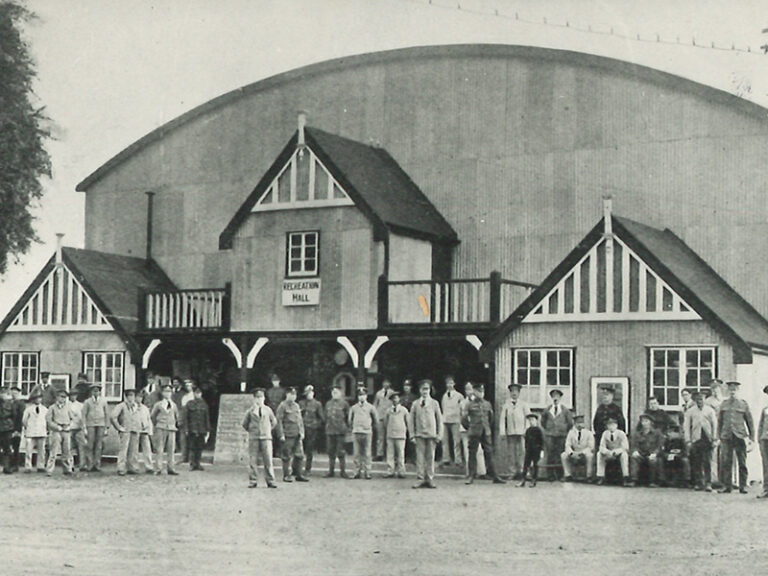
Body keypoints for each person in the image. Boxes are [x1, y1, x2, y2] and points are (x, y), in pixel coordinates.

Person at [462, 383, 505, 485]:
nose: (481, 394)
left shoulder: (487, 404)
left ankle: (494, 476)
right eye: (479, 392)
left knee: (489, 453)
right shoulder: (469, 404)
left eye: (482, 392)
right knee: (472, 454)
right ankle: (471, 476)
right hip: (474, 432)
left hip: (486, 432)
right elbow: (464, 419)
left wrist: (487, 427)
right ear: (475, 392)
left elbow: (491, 418)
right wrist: (470, 428)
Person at [718, 380, 755, 494]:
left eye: (734, 390)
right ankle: (727, 486)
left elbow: (750, 422)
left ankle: (742, 486)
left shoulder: (743, 404)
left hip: (740, 436)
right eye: (730, 389)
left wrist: (752, 439)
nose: (732, 392)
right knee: (726, 462)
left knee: (742, 462)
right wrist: (719, 436)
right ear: (728, 391)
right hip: (727, 436)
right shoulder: (724, 404)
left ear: (738, 390)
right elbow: (720, 421)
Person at [408, 380, 443, 489]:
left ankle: (430, 478)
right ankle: (420, 478)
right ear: (419, 390)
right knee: (420, 458)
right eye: (423, 389)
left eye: (427, 389)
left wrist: (439, 435)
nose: (425, 392)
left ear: (430, 390)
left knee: (430, 457)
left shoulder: (434, 403)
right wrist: (412, 435)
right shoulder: (415, 404)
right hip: (419, 435)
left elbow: (439, 420)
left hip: (431, 435)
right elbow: (411, 421)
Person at [242, 388, 278, 488]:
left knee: (268, 459)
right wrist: (252, 431)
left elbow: (274, 422)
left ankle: (270, 480)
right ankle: (253, 480)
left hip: (266, 438)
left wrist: (267, 430)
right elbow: (244, 424)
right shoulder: (250, 411)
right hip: (254, 437)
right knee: (253, 459)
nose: (259, 399)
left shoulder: (268, 410)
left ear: (264, 398)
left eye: (261, 397)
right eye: (257, 397)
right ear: (254, 399)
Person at [684, 390, 718, 492]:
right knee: (696, 462)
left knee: (707, 461)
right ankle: (698, 483)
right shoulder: (690, 411)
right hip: (696, 439)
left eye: (702, 399)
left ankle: (708, 483)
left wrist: (714, 439)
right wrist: (688, 440)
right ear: (695, 400)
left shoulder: (710, 410)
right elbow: (686, 426)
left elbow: (715, 425)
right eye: (698, 399)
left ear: (705, 399)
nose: (700, 401)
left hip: (707, 439)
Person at [276, 387, 308, 483]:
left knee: (299, 455)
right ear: (287, 395)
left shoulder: (296, 406)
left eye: (294, 395)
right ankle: (286, 475)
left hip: (297, 434)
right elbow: (279, 421)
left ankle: (298, 474)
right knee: (286, 455)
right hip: (287, 434)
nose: (293, 397)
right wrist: (281, 434)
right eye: (291, 394)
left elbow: (300, 420)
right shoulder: (282, 406)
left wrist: (302, 432)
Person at [498, 382, 529, 480]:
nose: (514, 394)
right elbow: (503, 419)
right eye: (512, 392)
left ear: (519, 393)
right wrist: (503, 431)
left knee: (522, 452)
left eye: (516, 392)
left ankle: (523, 471)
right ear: (510, 393)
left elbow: (528, 418)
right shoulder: (506, 405)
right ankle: (512, 471)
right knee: (511, 453)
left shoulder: (523, 404)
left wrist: (527, 430)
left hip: (521, 432)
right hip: (511, 432)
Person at [540, 389, 573, 481]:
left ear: (560, 398)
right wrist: (549, 429)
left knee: (560, 454)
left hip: (561, 435)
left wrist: (563, 430)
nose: (555, 398)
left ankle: (560, 474)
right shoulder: (547, 410)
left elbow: (570, 423)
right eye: (554, 396)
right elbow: (543, 422)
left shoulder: (565, 410)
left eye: (557, 396)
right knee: (550, 454)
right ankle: (550, 475)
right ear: (551, 398)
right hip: (550, 435)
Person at [151, 383, 180, 476]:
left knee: (171, 449)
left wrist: (174, 424)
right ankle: (158, 468)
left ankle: (171, 468)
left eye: (169, 391)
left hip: (171, 428)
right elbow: (152, 416)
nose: (168, 393)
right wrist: (157, 425)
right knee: (159, 448)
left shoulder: (174, 405)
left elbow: (177, 416)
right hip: (161, 428)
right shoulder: (158, 404)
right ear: (162, 393)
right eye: (166, 391)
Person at [111, 388, 142, 476]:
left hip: (135, 430)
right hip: (125, 431)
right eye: (129, 395)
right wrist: (119, 427)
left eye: (133, 395)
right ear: (126, 396)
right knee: (123, 450)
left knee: (133, 450)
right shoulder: (121, 406)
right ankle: (121, 468)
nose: (131, 398)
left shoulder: (136, 406)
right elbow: (113, 417)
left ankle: (132, 467)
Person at [348, 387, 377, 479]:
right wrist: (353, 427)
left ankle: (367, 472)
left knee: (367, 453)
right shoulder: (353, 408)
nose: (361, 397)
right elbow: (349, 419)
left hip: (367, 432)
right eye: (360, 395)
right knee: (356, 453)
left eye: (363, 395)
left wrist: (370, 426)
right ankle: (356, 471)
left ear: (366, 396)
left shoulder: (371, 407)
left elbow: (376, 419)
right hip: (356, 431)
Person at [460, 382, 486, 478]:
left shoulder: (480, 402)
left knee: (479, 451)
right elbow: (462, 417)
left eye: (471, 389)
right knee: (467, 451)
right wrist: (467, 426)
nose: (469, 392)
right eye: (467, 389)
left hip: (477, 429)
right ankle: (470, 472)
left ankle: (481, 472)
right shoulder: (463, 402)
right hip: (466, 429)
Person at [81, 382, 109, 472]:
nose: (96, 393)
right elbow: (84, 415)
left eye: (97, 391)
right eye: (94, 391)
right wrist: (84, 427)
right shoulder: (87, 402)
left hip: (101, 424)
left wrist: (106, 427)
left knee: (99, 445)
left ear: (100, 392)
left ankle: (97, 464)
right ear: (91, 392)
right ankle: (90, 464)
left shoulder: (103, 401)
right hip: (90, 425)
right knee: (90, 445)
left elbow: (107, 414)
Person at [629, 413, 663, 487]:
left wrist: (655, 453)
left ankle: (652, 481)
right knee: (634, 458)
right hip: (641, 453)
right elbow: (634, 444)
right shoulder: (637, 434)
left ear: (651, 422)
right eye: (643, 421)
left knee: (653, 460)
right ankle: (633, 480)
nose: (644, 423)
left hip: (652, 453)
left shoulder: (657, 433)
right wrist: (635, 451)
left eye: (646, 421)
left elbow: (659, 446)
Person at [324, 383, 350, 479]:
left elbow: (348, 417)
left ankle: (343, 472)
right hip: (330, 430)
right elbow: (325, 416)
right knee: (331, 452)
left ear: (340, 393)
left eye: (336, 392)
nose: (334, 393)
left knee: (341, 452)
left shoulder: (344, 404)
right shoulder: (328, 404)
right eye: (333, 392)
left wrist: (346, 428)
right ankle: (331, 471)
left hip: (340, 431)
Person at [298, 385, 324, 475]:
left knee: (309, 450)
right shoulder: (301, 403)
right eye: (307, 393)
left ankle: (307, 469)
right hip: (301, 428)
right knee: (299, 449)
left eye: (311, 393)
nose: (309, 395)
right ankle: (297, 469)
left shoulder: (317, 404)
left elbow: (321, 418)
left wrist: (316, 425)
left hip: (312, 429)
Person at [183, 385, 210, 471]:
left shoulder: (204, 405)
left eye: (199, 393)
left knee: (199, 447)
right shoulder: (189, 404)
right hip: (192, 429)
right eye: (196, 393)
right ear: (194, 394)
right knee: (192, 447)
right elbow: (186, 417)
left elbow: (207, 418)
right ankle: (192, 464)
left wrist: (208, 429)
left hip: (201, 429)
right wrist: (186, 429)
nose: (198, 394)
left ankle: (198, 463)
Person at [596, 416, 629, 486]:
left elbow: (625, 447)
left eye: (613, 425)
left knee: (624, 455)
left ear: (616, 425)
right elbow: (601, 446)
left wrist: (615, 452)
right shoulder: (605, 434)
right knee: (599, 454)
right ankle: (600, 476)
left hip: (618, 454)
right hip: (608, 453)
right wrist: (607, 452)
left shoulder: (621, 433)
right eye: (609, 425)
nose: (611, 427)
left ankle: (625, 477)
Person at [561, 414, 594, 482]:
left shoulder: (589, 433)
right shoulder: (571, 433)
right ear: (575, 424)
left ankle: (589, 476)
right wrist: (571, 453)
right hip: (574, 453)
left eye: (581, 423)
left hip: (584, 453)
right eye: (578, 423)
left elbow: (591, 446)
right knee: (563, 455)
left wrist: (582, 453)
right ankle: (567, 475)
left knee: (590, 455)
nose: (580, 425)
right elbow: (567, 444)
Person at [440, 375, 464, 468]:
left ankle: (458, 460)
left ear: (454, 384)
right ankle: (446, 459)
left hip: (455, 420)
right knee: (444, 440)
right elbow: (443, 407)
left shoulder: (459, 396)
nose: (449, 385)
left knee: (456, 441)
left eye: (451, 383)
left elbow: (462, 408)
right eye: (447, 383)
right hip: (445, 419)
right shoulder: (444, 396)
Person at [383, 391, 408, 478]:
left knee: (401, 454)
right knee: (390, 454)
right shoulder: (388, 411)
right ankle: (390, 471)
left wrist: (404, 430)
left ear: (399, 399)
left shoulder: (404, 410)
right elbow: (385, 422)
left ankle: (401, 471)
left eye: (396, 398)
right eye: (393, 398)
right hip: (390, 434)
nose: (395, 400)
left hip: (400, 435)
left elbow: (407, 421)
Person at [705, 379, 725, 488]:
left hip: (724, 430)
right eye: (713, 388)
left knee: (726, 455)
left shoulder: (725, 401)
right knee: (713, 455)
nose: (715, 390)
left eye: (717, 388)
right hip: (713, 429)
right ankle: (714, 479)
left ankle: (727, 479)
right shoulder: (708, 401)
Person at [22, 390, 47, 472]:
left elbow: (47, 420)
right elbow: (24, 420)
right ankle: (28, 466)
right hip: (31, 432)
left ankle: (40, 466)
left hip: (41, 431)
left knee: (41, 450)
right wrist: (27, 428)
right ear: (33, 399)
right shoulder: (28, 409)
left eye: (39, 398)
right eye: (36, 398)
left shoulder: (45, 409)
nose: (38, 400)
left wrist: (46, 429)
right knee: (29, 450)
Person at [659, 423, 690, 487]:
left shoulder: (682, 441)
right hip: (668, 457)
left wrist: (677, 455)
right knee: (660, 460)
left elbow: (685, 451)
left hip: (679, 457)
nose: (670, 434)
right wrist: (667, 455)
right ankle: (663, 480)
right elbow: (662, 451)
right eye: (669, 432)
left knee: (685, 461)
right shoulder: (666, 441)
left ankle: (686, 480)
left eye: (672, 432)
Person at [518, 412, 544, 487]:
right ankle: (523, 480)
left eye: (532, 420)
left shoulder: (538, 430)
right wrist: (525, 448)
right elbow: (526, 441)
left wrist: (542, 451)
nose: (531, 422)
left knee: (535, 465)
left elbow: (542, 441)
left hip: (536, 450)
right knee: (526, 465)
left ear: (536, 421)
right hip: (529, 450)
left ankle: (534, 480)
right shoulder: (528, 430)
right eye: (530, 420)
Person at [373, 378, 394, 461]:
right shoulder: (378, 393)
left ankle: (389, 454)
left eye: (387, 382)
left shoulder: (392, 393)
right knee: (380, 437)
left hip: (389, 417)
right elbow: (375, 404)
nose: (386, 384)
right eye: (384, 382)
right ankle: (379, 454)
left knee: (389, 436)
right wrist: (375, 415)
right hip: (380, 416)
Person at [67, 389, 88, 472]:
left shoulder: (80, 405)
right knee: (69, 448)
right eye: (71, 395)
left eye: (75, 395)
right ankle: (70, 465)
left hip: (79, 428)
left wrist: (83, 427)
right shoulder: (66, 405)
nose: (73, 397)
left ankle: (82, 464)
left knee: (81, 447)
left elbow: (82, 417)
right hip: (69, 428)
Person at [177, 378, 196, 463]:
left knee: (192, 439)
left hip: (193, 419)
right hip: (185, 419)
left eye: (190, 385)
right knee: (183, 439)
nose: (188, 387)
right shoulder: (184, 396)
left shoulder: (195, 396)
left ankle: (192, 458)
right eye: (187, 385)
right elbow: (182, 409)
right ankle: (183, 457)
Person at [136, 389, 155, 473]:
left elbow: (148, 419)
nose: (139, 399)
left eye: (141, 397)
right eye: (137, 397)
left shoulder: (145, 408)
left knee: (147, 449)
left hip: (144, 430)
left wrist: (149, 430)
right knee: (134, 449)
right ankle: (134, 466)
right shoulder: (132, 407)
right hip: (135, 430)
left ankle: (149, 466)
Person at [0, 387, 16, 474]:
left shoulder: (10, 404)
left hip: (7, 428)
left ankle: (6, 467)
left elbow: (14, 415)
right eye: (2, 393)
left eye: (5, 393)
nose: (3, 395)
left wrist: (13, 427)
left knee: (7, 449)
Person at [9, 385, 25, 472]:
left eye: (15, 393)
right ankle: (9, 464)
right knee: (8, 446)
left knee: (16, 447)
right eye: (12, 393)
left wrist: (17, 430)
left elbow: (20, 417)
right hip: (8, 428)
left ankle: (15, 465)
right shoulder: (9, 402)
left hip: (16, 428)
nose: (13, 395)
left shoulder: (21, 404)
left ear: (18, 394)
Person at [757, 385, 768, 499]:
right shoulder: (765, 410)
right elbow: (761, 425)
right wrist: (759, 438)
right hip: (765, 440)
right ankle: (766, 489)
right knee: (766, 465)